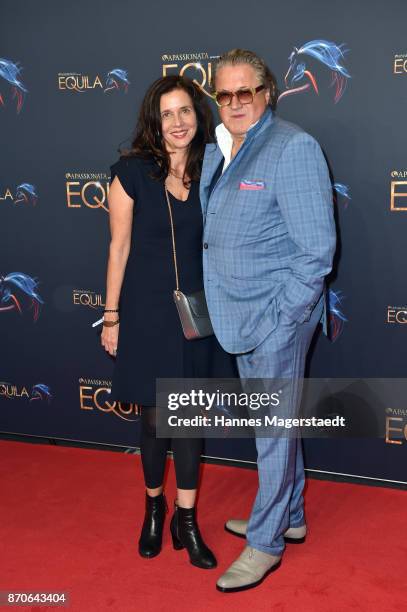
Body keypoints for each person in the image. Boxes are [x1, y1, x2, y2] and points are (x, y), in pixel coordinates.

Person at [200, 49, 336, 591]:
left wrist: (283, 321)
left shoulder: (293, 148)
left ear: (267, 93)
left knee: (274, 432)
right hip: (238, 309)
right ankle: (291, 514)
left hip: (276, 316)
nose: (234, 102)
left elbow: (316, 252)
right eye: (224, 94)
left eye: (245, 92)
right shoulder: (219, 148)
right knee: (271, 428)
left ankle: (265, 542)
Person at [101, 75, 237, 569]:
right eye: (167, 114)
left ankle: (187, 519)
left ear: (198, 116)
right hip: (147, 313)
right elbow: (119, 248)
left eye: (185, 111)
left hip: (198, 314)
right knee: (157, 419)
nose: (178, 122)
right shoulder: (131, 172)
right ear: (153, 122)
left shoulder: (214, 169)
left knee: (191, 417)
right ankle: (153, 507)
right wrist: (111, 316)